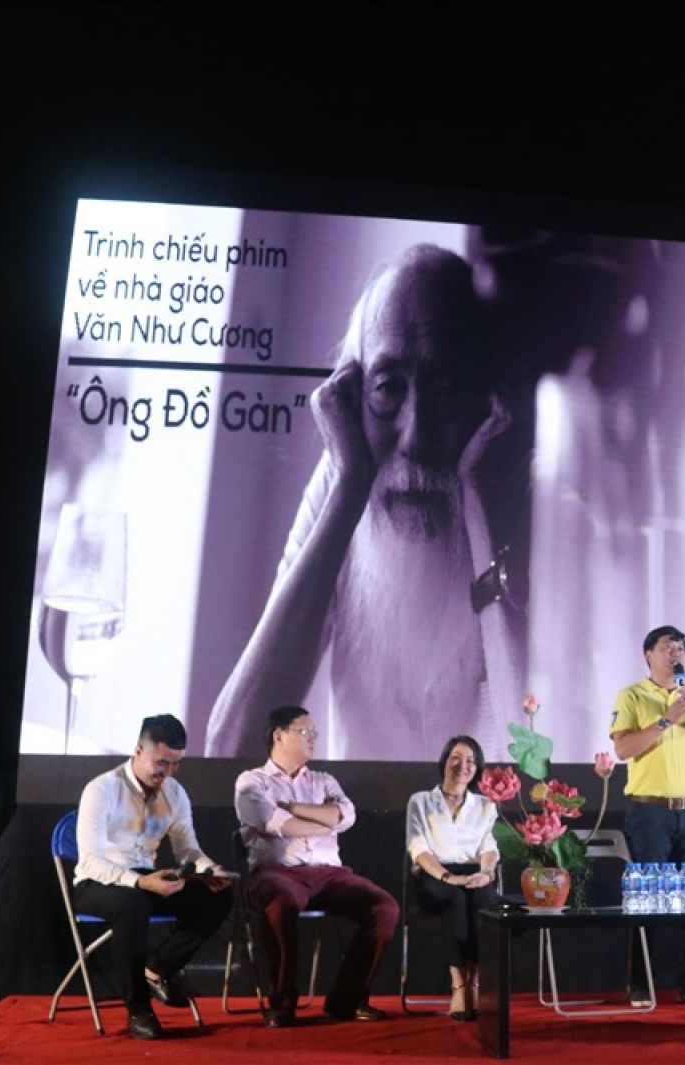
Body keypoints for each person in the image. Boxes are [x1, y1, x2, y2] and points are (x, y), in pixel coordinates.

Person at [207, 244, 527, 759]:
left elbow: (541, 777)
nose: (414, 436)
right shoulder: (346, 483)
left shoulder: (546, 500)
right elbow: (231, 748)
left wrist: (478, 508)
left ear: (490, 398)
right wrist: (349, 485)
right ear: (351, 396)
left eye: (446, 386)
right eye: (387, 387)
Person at [235, 706, 400, 1026]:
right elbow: (279, 825)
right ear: (279, 735)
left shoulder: (324, 781)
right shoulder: (252, 781)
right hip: (278, 872)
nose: (313, 738)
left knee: (384, 907)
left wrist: (293, 807)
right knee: (281, 901)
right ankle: (282, 1002)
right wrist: (324, 823)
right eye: (305, 732)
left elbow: (346, 816)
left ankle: (346, 1000)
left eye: (315, 733)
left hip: (330, 874)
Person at [72, 714, 233, 1040]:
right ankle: (138, 1009)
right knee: (132, 903)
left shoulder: (175, 793)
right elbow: (90, 861)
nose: (169, 772)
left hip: (148, 878)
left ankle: (158, 968)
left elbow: (187, 851)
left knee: (217, 894)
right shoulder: (102, 789)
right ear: (138, 751)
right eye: (162, 763)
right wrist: (140, 882)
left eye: (176, 763)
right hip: (97, 882)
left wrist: (206, 869)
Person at [610, 624, 685, 1007]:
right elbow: (623, 749)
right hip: (651, 812)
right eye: (667, 647)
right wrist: (667, 719)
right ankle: (641, 982)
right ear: (649, 654)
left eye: (680, 647)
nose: (675, 652)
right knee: (648, 898)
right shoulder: (632, 695)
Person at [404, 735, 501, 1020]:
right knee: (455, 898)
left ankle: (476, 983)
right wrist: (447, 877)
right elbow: (418, 848)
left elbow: (489, 847)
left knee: (484, 900)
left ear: (477, 768)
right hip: (434, 875)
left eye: (471, 761)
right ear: (445, 762)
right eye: (456, 758)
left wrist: (486, 874)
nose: (463, 766)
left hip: (474, 873)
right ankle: (458, 985)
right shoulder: (420, 801)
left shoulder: (486, 805)